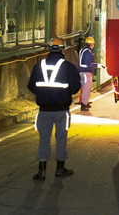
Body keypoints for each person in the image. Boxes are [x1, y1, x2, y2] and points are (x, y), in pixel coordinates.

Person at [27, 37, 81, 180]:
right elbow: (76, 88)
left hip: (44, 110)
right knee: (61, 138)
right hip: (61, 110)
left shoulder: (39, 66)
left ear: (49, 49)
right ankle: (60, 169)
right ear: (63, 49)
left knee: (44, 138)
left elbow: (31, 86)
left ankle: (42, 171)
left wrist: (44, 93)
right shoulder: (68, 67)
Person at [78, 37, 96, 111]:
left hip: (82, 71)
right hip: (86, 72)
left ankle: (86, 102)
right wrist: (96, 65)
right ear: (91, 44)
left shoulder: (83, 50)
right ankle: (84, 105)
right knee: (86, 88)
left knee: (87, 88)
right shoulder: (88, 52)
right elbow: (87, 63)